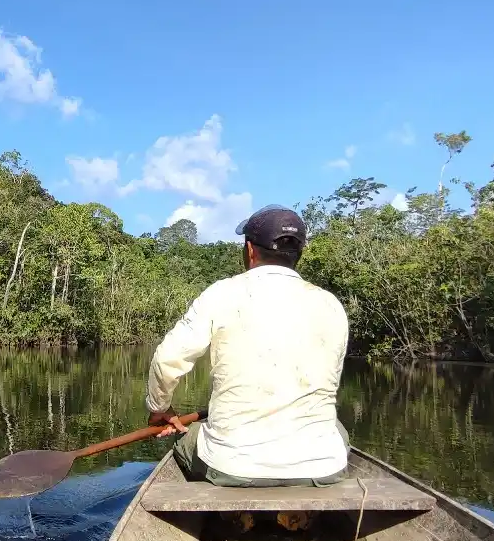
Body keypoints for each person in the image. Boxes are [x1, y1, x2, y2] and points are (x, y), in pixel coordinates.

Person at [146, 204, 351, 488]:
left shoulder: (221, 294)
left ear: (250, 250)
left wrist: (160, 408)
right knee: (337, 429)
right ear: (298, 254)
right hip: (322, 467)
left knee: (188, 439)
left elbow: (167, 358)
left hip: (231, 466)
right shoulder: (331, 305)